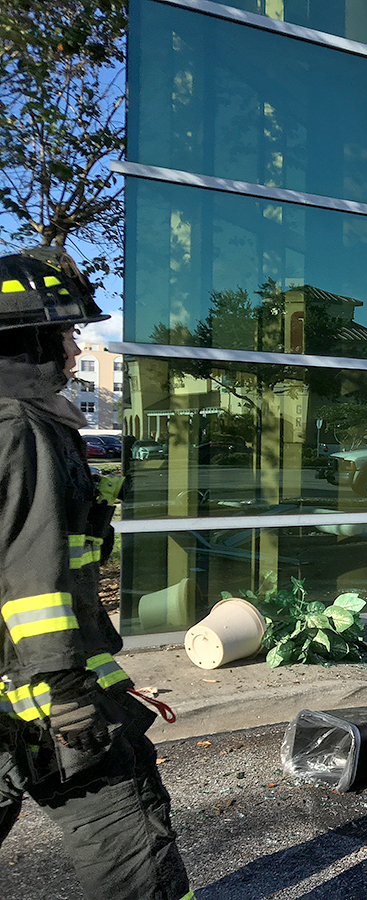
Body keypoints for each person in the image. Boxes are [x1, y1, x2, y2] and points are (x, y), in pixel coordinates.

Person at [0, 248, 192, 900]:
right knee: (130, 839)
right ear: (28, 340)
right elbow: (33, 582)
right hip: (41, 697)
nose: (74, 345)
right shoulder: (23, 430)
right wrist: (70, 699)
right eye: (64, 331)